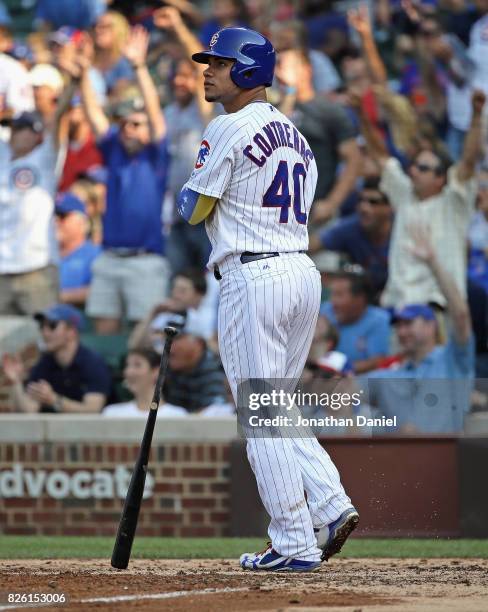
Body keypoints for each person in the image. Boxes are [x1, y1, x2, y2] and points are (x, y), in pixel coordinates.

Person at [177, 27, 358, 572]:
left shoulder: (228, 126)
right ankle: (330, 503)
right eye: (207, 61)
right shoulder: (296, 135)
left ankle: (294, 543)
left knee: (260, 416)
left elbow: (192, 209)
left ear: (250, 70)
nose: (208, 69)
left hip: (253, 275)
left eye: (221, 62)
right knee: (274, 407)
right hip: (300, 272)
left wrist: (193, 183)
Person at [77, 26, 170, 333]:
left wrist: (139, 67)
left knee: (145, 335)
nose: (129, 129)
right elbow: (93, 114)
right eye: (126, 123)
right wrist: (83, 74)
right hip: (109, 257)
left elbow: (156, 117)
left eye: (137, 123)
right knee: (104, 334)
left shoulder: (155, 154)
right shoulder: (114, 150)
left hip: (145, 260)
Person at [361, 89, 485, 307]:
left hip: (437, 309)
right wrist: (360, 113)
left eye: (423, 168)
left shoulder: (454, 202)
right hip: (398, 309)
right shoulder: (405, 195)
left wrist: (476, 116)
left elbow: (467, 163)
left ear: (440, 179)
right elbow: (381, 156)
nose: (414, 171)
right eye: (415, 166)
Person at [366, 224, 474, 434]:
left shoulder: (452, 361)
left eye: (409, 323)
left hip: (447, 462)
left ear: (431, 324)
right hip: (398, 463)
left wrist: (434, 263)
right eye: (398, 325)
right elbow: (345, 390)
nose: (402, 331)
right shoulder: (389, 375)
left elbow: (460, 315)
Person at [0, 80, 74, 315]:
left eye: (22, 128)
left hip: (36, 267)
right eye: (13, 128)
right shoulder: (2, 156)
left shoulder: (45, 158)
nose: (15, 134)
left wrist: (73, 82)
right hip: (2, 269)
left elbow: (60, 117)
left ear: (36, 134)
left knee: (43, 340)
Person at [153, 6, 214, 275]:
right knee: (178, 286)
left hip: (205, 214)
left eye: (186, 76)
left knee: (210, 284)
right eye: (176, 76)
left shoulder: (205, 107)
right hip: (176, 215)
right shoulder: (167, 113)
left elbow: (202, 68)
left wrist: (178, 28)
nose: (180, 81)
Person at [276, 48, 360, 225]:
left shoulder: (329, 110)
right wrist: (288, 97)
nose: (278, 72)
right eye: (275, 66)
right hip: (279, 216)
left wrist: (332, 203)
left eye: (283, 66)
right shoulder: (271, 111)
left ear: (306, 70)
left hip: (317, 212)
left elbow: (353, 160)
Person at [2, 304, 111, 413]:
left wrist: (54, 400)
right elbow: (30, 410)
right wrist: (16, 381)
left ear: (71, 331)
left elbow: (93, 410)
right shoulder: (44, 363)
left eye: (52, 325)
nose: (45, 332)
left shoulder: (93, 363)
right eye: (42, 326)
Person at [309, 177, 392, 297]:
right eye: (361, 201)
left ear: (389, 207)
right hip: (364, 299)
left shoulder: (401, 229)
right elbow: (312, 245)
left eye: (373, 202)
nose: (364, 207)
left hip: (398, 299)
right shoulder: (353, 226)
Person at [320, 271, 391, 373]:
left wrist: (339, 369)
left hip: (358, 381)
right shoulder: (325, 311)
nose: (333, 302)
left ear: (359, 299)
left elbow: (378, 361)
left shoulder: (378, 319)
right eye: (332, 294)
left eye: (339, 295)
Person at [103, 348, 187, 417]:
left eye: (137, 365)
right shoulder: (112, 413)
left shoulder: (177, 415)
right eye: (127, 365)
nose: (128, 372)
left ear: (156, 372)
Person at [55, 192, 101, 306]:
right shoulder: (41, 255)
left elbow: (105, 292)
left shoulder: (96, 255)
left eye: (62, 217)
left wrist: (59, 296)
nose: (55, 222)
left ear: (82, 222)